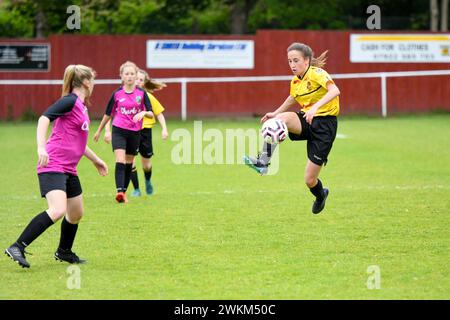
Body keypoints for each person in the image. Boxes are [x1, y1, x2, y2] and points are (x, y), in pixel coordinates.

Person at [4, 64, 108, 268]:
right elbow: (44, 118)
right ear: (86, 82)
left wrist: (96, 160)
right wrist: (41, 148)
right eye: (92, 80)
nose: (93, 84)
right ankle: (17, 246)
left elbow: (78, 142)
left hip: (69, 169)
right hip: (53, 164)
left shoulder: (81, 106)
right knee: (58, 209)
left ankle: (64, 251)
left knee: (76, 213)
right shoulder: (69, 101)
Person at [244, 42, 340, 214]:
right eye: (289, 61)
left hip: (325, 125)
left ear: (307, 60)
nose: (292, 65)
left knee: (309, 180)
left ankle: (320, 195)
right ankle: (263, 162)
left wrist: (315, 108)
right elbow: (292, 98)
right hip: (307, 119)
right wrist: (275, 112)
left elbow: (334, 91)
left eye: (296, 60)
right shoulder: (295, 81)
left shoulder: (316, 73)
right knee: (280, 120)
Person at [93, 61, 154, 203]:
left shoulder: (141, 93)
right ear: (121, 76)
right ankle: (119, 191)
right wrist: (100, 130)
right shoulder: (117, 94)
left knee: (129, 162)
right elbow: (108, 114)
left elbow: (151, 114)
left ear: (136, 75)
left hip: (135, 132)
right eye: (126, 74)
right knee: (120, 160)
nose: (130, 76)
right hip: (119, 130)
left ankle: (124, 193)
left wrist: (144, 113)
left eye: (132, 74)